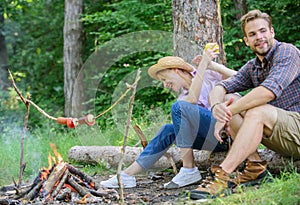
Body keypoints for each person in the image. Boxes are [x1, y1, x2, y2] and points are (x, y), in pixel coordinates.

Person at [189, 9, 300, 200]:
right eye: (252, 34)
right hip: (280, 134)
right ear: (246, 41)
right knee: (227, 97)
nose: (259, 37)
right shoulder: (253, 66)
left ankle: (222, 176)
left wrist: (227, 113)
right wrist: (217, 109)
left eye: (263, 31)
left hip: (296, 128)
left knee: (257, 110)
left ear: (272, 32)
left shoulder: (287, 52)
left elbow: (268, 92)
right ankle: (255, 167)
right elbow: (220, 87)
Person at [100, 44, 237, 189]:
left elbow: (241, 78)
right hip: (212, 140)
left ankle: (189, 169)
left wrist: (211, 65)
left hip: (227, 132)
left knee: (179, 108)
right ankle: (127, 175)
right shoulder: (183, 99)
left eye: (165, 79)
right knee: (168, 129)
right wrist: (203, 64)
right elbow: (192, 100)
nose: (165, 85)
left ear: (176, 71)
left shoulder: (208, 75)